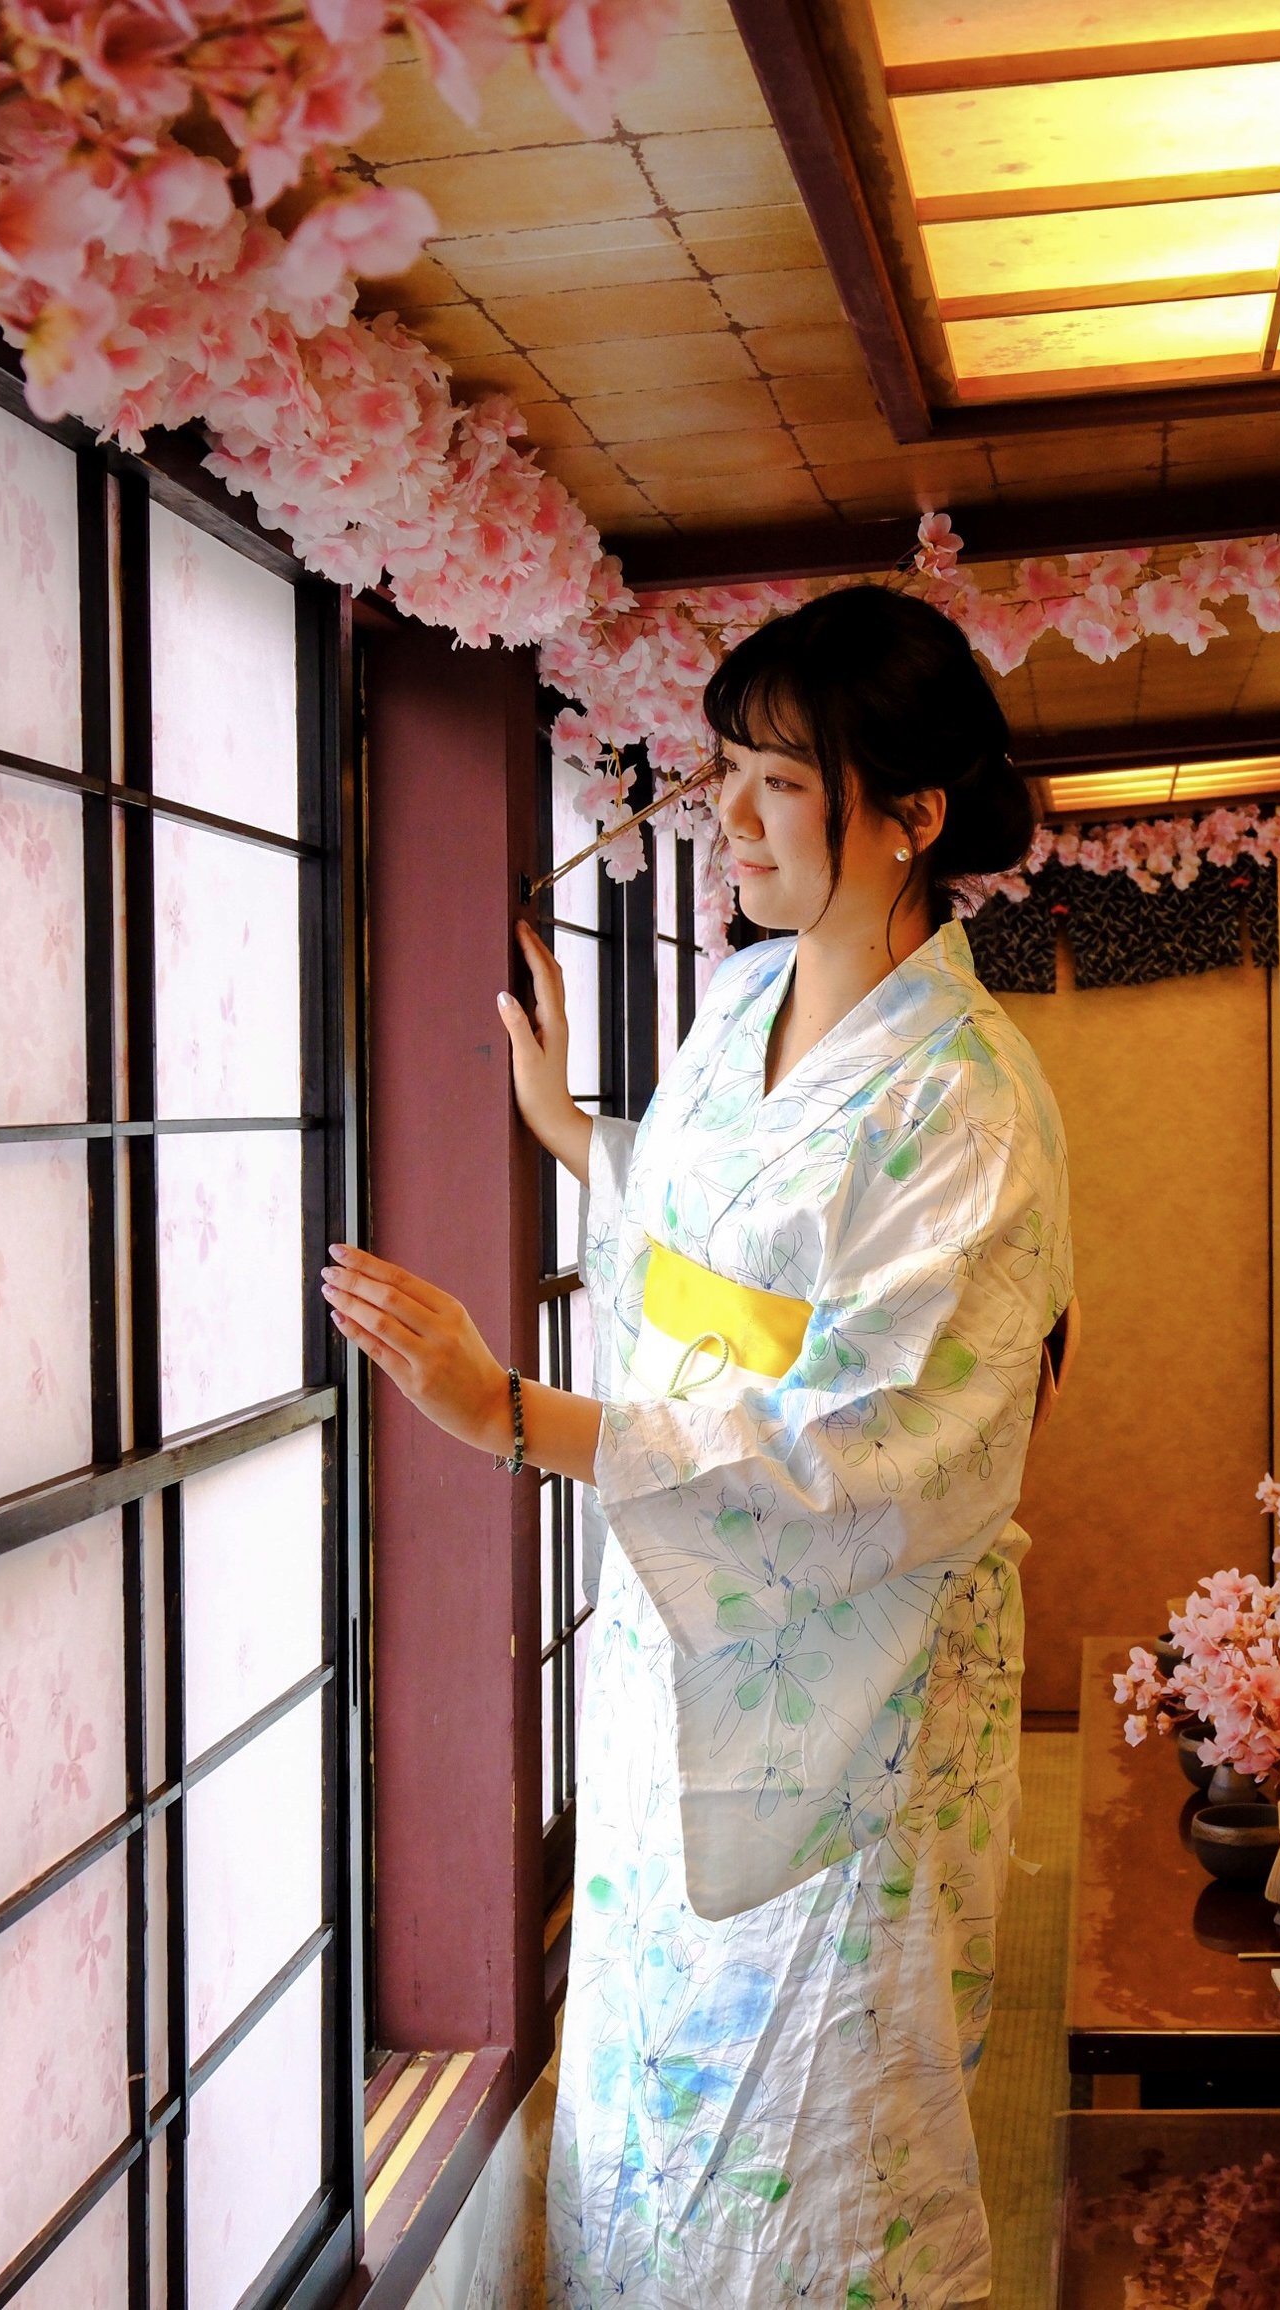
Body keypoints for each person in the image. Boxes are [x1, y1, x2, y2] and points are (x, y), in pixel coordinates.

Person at [321, 585, 1073, 2310]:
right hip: (683, 1661)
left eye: (776, 782)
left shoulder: (965, 1099)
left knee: (825, 2134)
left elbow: (877, 1446)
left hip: (854, 1702)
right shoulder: (739, 1006)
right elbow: (704, 1236)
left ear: (912, 815)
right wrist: (570, 1124)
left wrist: (515, 1412)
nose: (725, 814)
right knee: (652, 2098)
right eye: (726, 769)